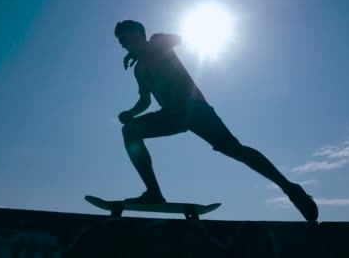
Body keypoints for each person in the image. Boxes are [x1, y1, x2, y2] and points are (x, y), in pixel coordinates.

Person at [114, 20, 318, 222]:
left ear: (137, 33)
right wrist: (131, 113)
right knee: (130, 130)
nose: (122, 43)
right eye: (120, 41)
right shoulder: (139, 69)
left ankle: (290, 188)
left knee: (235, 150)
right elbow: (145, 100)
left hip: (195, 110)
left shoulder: (159, 42)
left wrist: (146, 48)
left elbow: (178, 39)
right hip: (171, 115)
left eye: (124, 38)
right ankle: (154, 193)